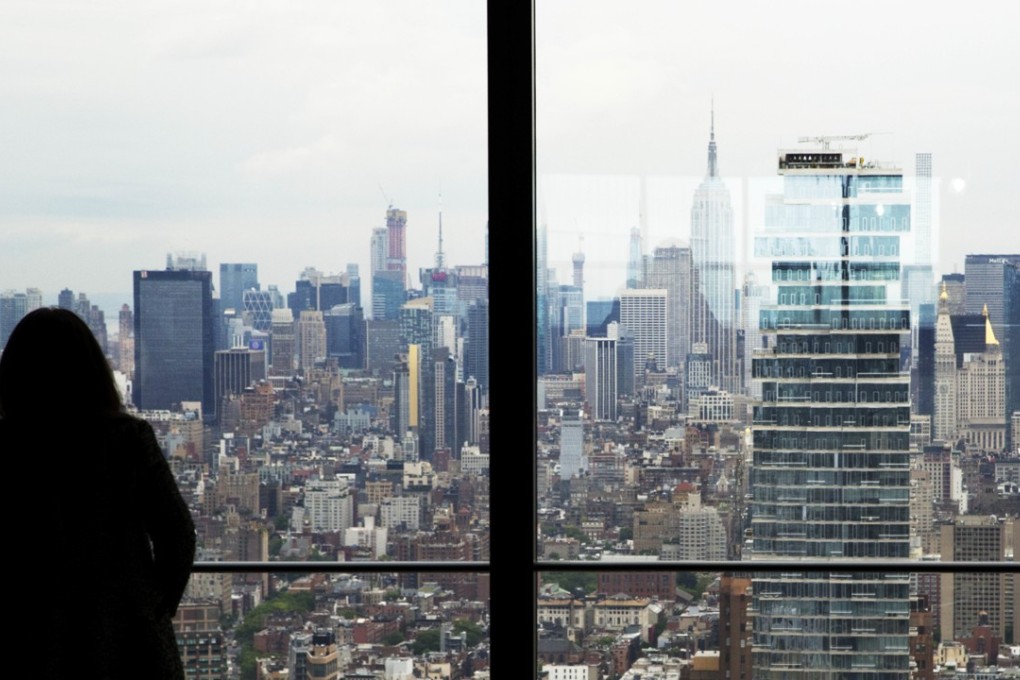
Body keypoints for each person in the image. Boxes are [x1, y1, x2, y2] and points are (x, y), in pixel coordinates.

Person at [0, 307, 196, 679]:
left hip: (30, 636)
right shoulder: (128, 439)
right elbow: (179, 535)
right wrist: (153, 606)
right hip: (130, 639)